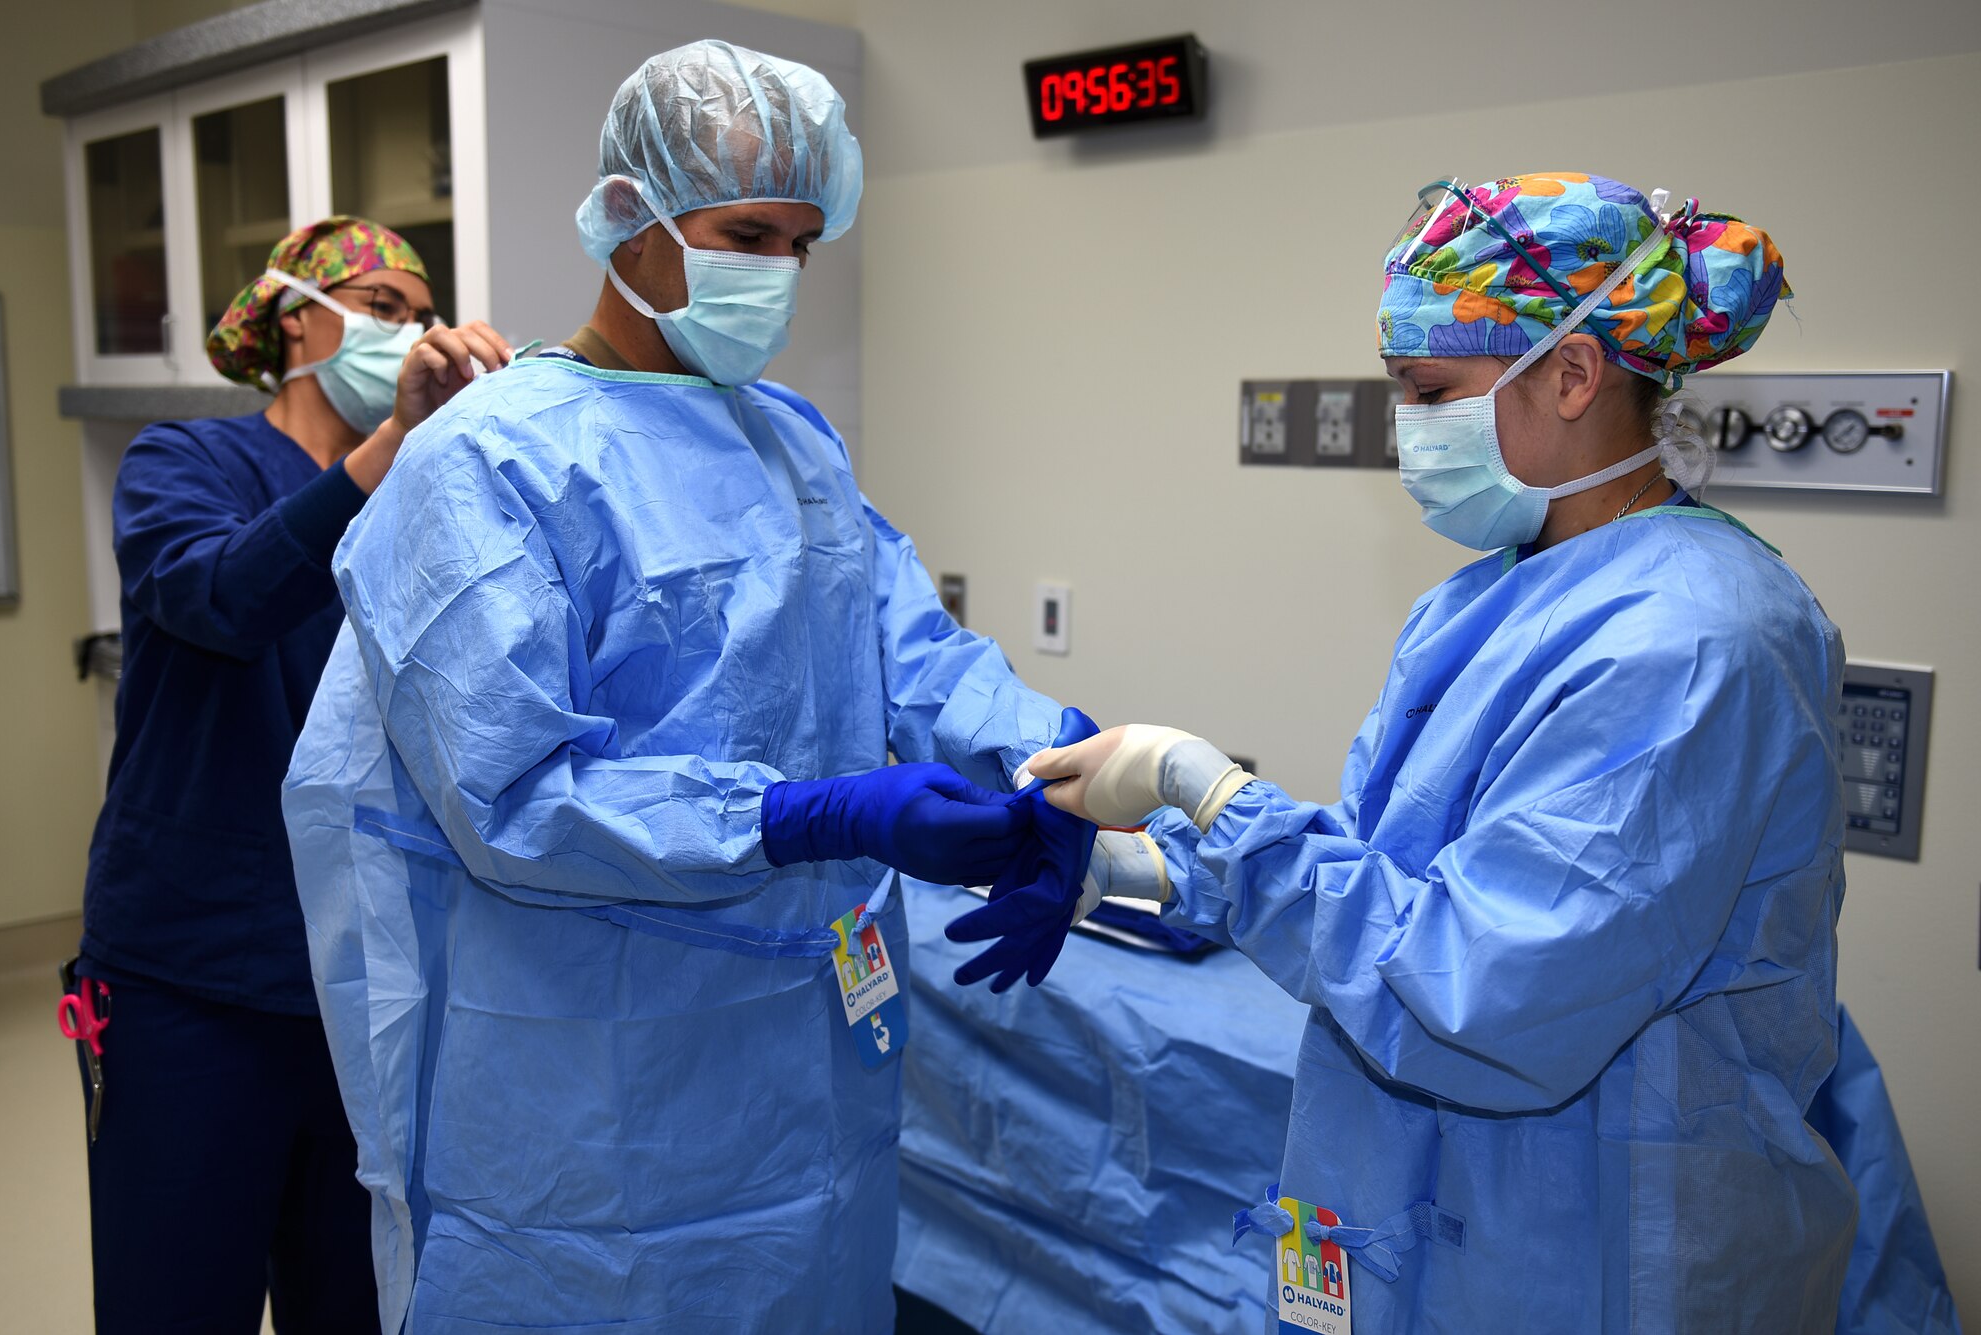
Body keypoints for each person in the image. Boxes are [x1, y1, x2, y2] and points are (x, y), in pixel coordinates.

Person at [282, 41, 1079, 1334]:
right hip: (586, 1110)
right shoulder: (484, 462)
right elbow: (515, 789)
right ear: (628, 217)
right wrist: (812, 814)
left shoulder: (792, 441)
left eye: (801, 242)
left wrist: (1064, 763)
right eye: (745, 230)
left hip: (805, 1082)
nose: (774, 274)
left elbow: (916, 653)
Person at [974, 174, 1858, 1331]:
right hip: (1443, 1227)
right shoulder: (1486, 600)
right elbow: (1391, 872)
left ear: (1571, 373)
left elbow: (1482, 992)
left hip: (1601, 1265)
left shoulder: (1690, 646)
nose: (1406, 431)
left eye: (1428, 391)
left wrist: (1205, 786)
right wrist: (1136, 870)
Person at [71, 217, 513, 1332]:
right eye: (380, 308)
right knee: (173, 1300)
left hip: (369, 991)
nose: (406, 330)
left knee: (356, 1303)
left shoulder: (423, 503)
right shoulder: (182, 462)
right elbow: (223, 597)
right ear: (293, 318)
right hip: (194, 980)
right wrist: (385, 454)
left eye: (418, 312)